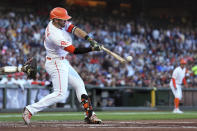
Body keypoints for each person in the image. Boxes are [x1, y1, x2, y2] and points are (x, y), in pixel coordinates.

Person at [22, 7, 102, 125]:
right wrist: (92, 48)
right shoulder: (54, 34)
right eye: (62, 20)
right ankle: (30, 109)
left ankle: (90, 115)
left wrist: (89, 39)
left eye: (65, 19)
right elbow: (73, 50)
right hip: (55, 63)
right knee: (60, 94)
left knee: (79, 84)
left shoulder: (59, 23)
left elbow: (75, 30)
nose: (65, 22)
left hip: (62, 62)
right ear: (55, 20)